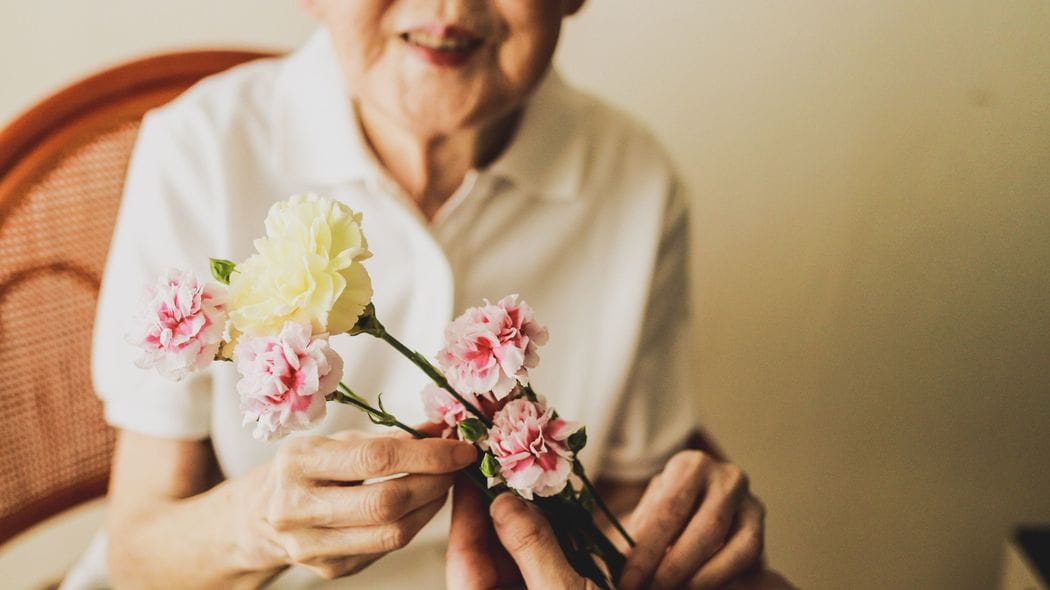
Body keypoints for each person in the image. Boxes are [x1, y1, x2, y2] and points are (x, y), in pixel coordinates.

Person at [76, 1, 784, 588]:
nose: (447, 7)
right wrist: (255, 525)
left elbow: (627, 491)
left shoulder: (638, 180)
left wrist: (691, 532)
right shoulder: (200, 148)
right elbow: (139, 553)